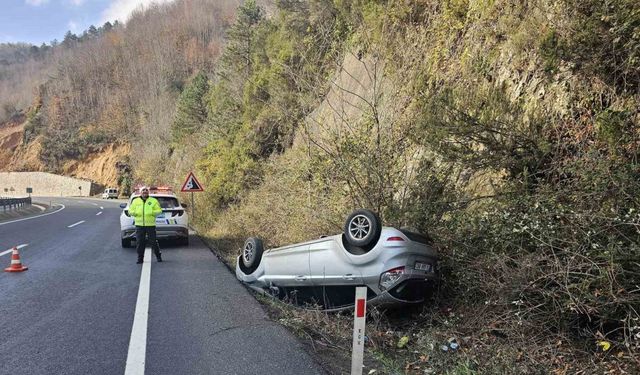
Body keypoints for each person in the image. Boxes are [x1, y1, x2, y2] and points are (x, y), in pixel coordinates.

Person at [129, 186, 163, 263]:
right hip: (139, 225)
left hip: (150, 225)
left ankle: (158, 256)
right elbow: (130, 210)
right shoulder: (135, 201)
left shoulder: (153, 201)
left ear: (148, 192)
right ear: (140, 192)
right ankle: (140, 258)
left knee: (153, 241)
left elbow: (159, 210)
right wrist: (135, 213)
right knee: (140, 242)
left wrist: (152, 213)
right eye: (143, 190)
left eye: (146, 190)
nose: (145, 191)